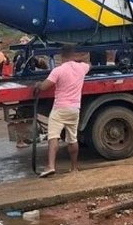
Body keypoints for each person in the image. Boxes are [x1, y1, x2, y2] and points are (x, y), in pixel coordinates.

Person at [32, 44, 91, 177]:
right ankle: (74, 167)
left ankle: (51, 166)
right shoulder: (82, 68)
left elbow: (45, 86)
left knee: (53, 137)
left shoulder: (58, 70)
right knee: (72, 139)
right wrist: (80, 61)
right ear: (73, 55)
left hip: (60, 108)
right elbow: (89, 65)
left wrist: (38, 85)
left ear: (61, 56)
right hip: (75, 108)